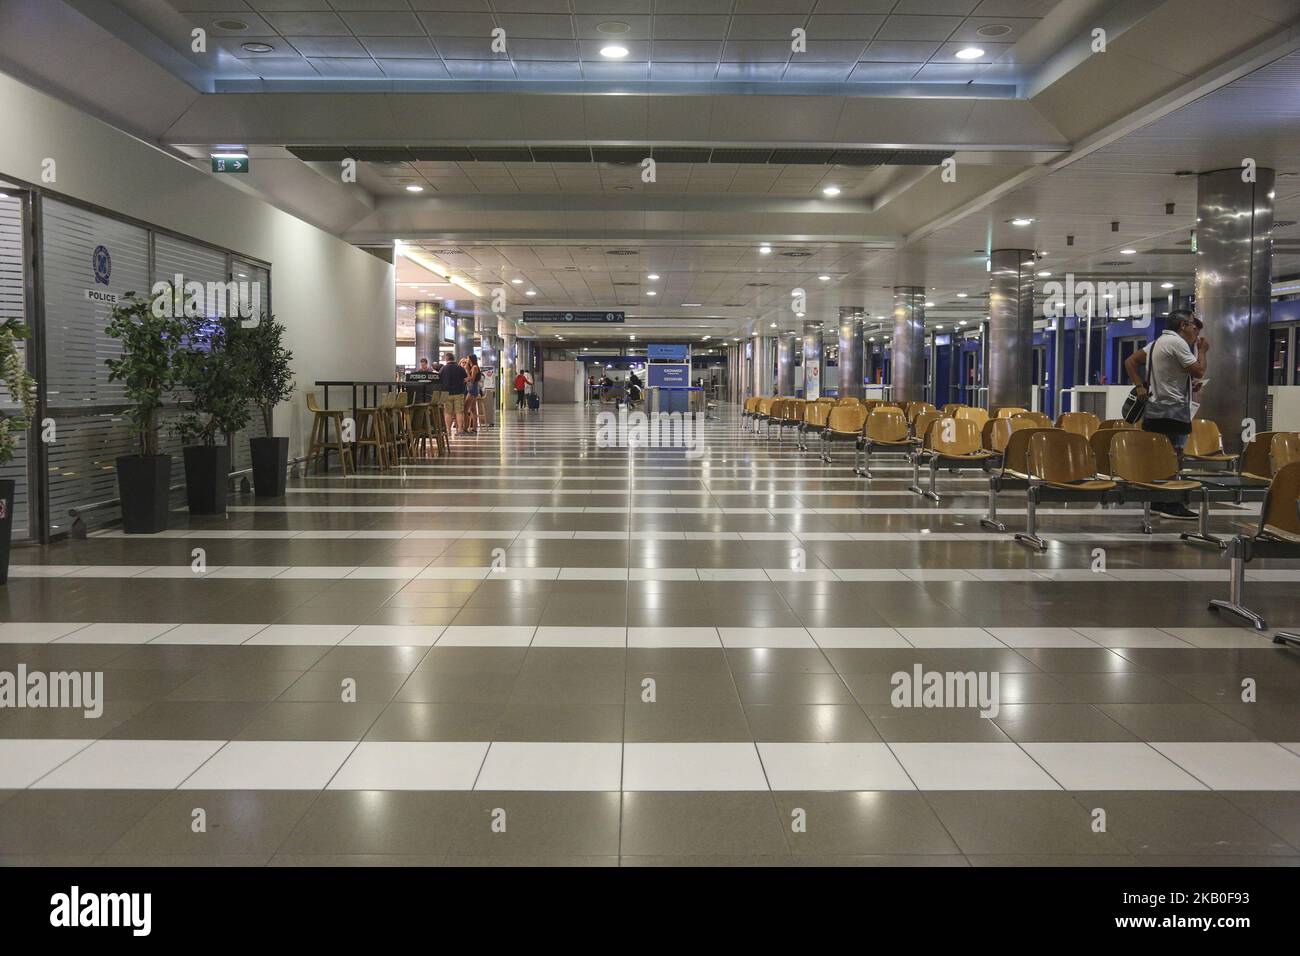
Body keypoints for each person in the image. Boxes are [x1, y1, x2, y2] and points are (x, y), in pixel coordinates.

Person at [1123, 309, 1209, 520]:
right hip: (1172, 412)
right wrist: (1203, 351)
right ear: (1182, 326)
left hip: (1154, 411)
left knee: (1158, 457)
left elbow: (1130, 361)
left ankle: (1157, 499)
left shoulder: (1157, 343)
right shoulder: (1178, 343)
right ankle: (1172, 503)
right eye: (1192, 325)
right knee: (1174, 456)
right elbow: (1199, 370)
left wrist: (1140, 387)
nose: (1194, 330)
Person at [440, 352, 468, 435]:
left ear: (446, 359)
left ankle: (448, 431)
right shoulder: (460, 368)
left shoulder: (443, 369)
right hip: (459, 393)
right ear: (453, 358)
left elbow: (439, 380)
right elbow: (466, 379)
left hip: (447, 394)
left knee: (448, 413)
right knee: (459, 412)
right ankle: (460, 430)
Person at [464, 354, 482, 434]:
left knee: (465, 408)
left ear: (471, 359)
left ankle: (466, 427)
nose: (466, 360)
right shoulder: (474, 367)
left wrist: (467, 370)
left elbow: (472, 379)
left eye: (467, 358)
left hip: (472, 389)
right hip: (474, 388)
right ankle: (474, 428)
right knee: (473, 409)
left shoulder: (474, 367)